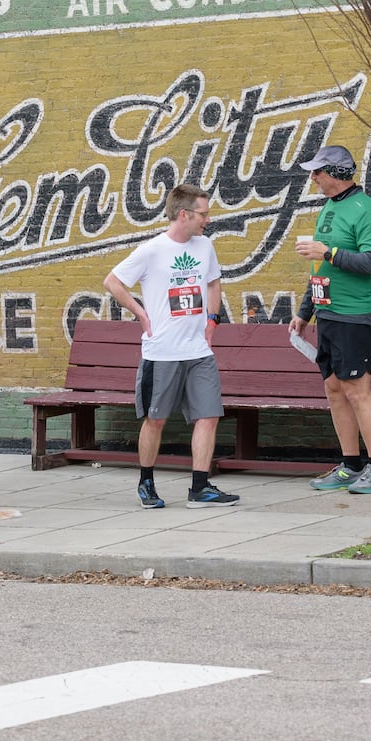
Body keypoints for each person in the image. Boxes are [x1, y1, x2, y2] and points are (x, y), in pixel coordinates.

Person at [102, 184, 240, 510]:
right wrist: (140, 314)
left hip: (198, 352)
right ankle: (146, 482)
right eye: (203, 214)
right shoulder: (152, 250)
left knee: (208, 416)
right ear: (184, 215)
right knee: (155, 420)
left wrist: (212, 320)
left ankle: (200, 487)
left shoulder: (204, 246)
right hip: (161, 352)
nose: (208, 219)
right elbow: (112, 282)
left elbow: (213, 281)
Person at [286, 145, 371, 496]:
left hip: (356, 314)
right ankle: (350, 465)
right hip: (328, 312)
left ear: (337, 172)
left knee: (357, 390)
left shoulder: (366, 210)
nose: (313, 177)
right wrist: (305, 312)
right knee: (333, 389)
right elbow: (321, 267)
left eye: (317, 171)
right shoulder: (329, 208)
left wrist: (328, 251)